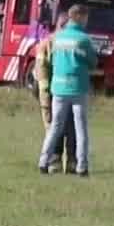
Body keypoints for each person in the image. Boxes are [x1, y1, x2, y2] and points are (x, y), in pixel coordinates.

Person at [38, 5, 98, 175]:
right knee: (80, 128)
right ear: (78, 16)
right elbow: (93, 62)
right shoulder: (84, 39)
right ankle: (82, 166)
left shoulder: (57, 38)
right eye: (86, 17)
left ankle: (43, 161)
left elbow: (51, 59)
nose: (87, 21)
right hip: (78, 87)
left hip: (58, 87)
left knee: (55, 127)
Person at [31, 27, 78, 173]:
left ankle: (56, 162)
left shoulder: (47, 43)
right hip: (63, 91)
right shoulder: (62, 43)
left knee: (55, 128)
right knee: (66, 128)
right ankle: (65, 162)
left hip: (55, 90)